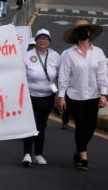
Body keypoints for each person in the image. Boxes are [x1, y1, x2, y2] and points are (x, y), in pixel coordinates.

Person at [58, 19, 107, 171]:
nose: (83, 32)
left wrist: (104, 94)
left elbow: (103, 75)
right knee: (81, 126)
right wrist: (61, 96)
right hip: (75, 95)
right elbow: (64, 76)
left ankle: (79, 151)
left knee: (91, 127)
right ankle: (83, 157)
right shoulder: (68, 54)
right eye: (80, 30)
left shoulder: (98, 52)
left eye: (85, 29)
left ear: (89, 33)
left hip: (93, 95)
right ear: (75, 34)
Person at [22, 29, 61, 167]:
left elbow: (58, 78)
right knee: (30, 125)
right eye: (40, 38)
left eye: (45, 39)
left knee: (41, 126)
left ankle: (38, 154)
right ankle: (27, 154)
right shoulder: (27, 56)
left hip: (47, 97)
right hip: (30, 96)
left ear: (49, 42)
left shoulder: (56, 56)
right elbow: (19, 75)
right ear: (35, 41)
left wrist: (58, 95)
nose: (42, 41)